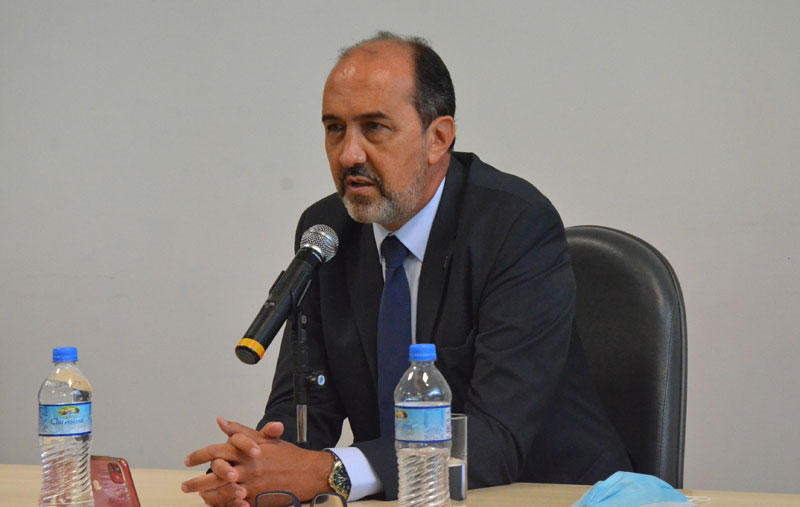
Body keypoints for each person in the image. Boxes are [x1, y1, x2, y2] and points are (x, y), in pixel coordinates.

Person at [182, 32, 631, 507]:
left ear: (438, 138)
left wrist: (327, 471)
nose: (349, 155)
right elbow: (305, 411)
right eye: (335, 128)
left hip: (551, 494)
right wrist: (253, 467)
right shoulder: (327, 231)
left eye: (374, 127)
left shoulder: (514, 226)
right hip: (405, 498)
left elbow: (496, 437)